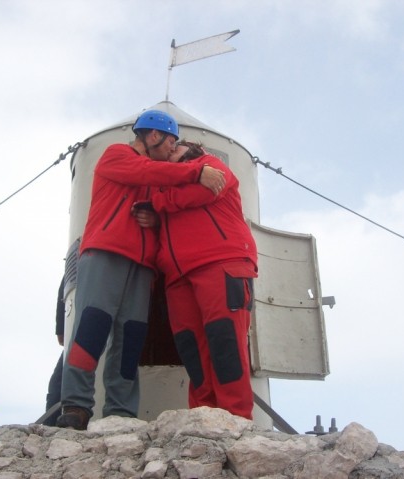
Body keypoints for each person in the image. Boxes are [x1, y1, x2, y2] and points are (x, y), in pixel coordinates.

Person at [57, 110, 226, 430]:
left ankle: (120, 411)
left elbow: (166, 205)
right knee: (91, 327)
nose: (171, 149)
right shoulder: (115, 155)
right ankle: (76, 405)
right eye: (170, 142)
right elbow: (144, 172)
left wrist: (158, 218)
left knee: (131, 337)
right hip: (106, 252)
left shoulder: (157, 174)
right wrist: (196, 173)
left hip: (143, 265)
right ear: (152, 136)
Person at [134, 140, 258, 420]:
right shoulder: (166, 184)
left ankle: (236, 417)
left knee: (225, 340)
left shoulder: (210, 166)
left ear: (193, 150)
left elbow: (203, 192)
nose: (171, 150)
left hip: (222, 262)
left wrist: (158, 204)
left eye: (177, 147)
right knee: (192, 348)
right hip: (178, 275)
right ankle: (203, 415)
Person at [42, 276, 65, 426]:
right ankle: (49, 426)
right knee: (57, 384)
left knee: (58, 383)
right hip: (76, 333)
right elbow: (63, 294)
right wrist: (61, 328)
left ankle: (49, 426)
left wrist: (61, 330)